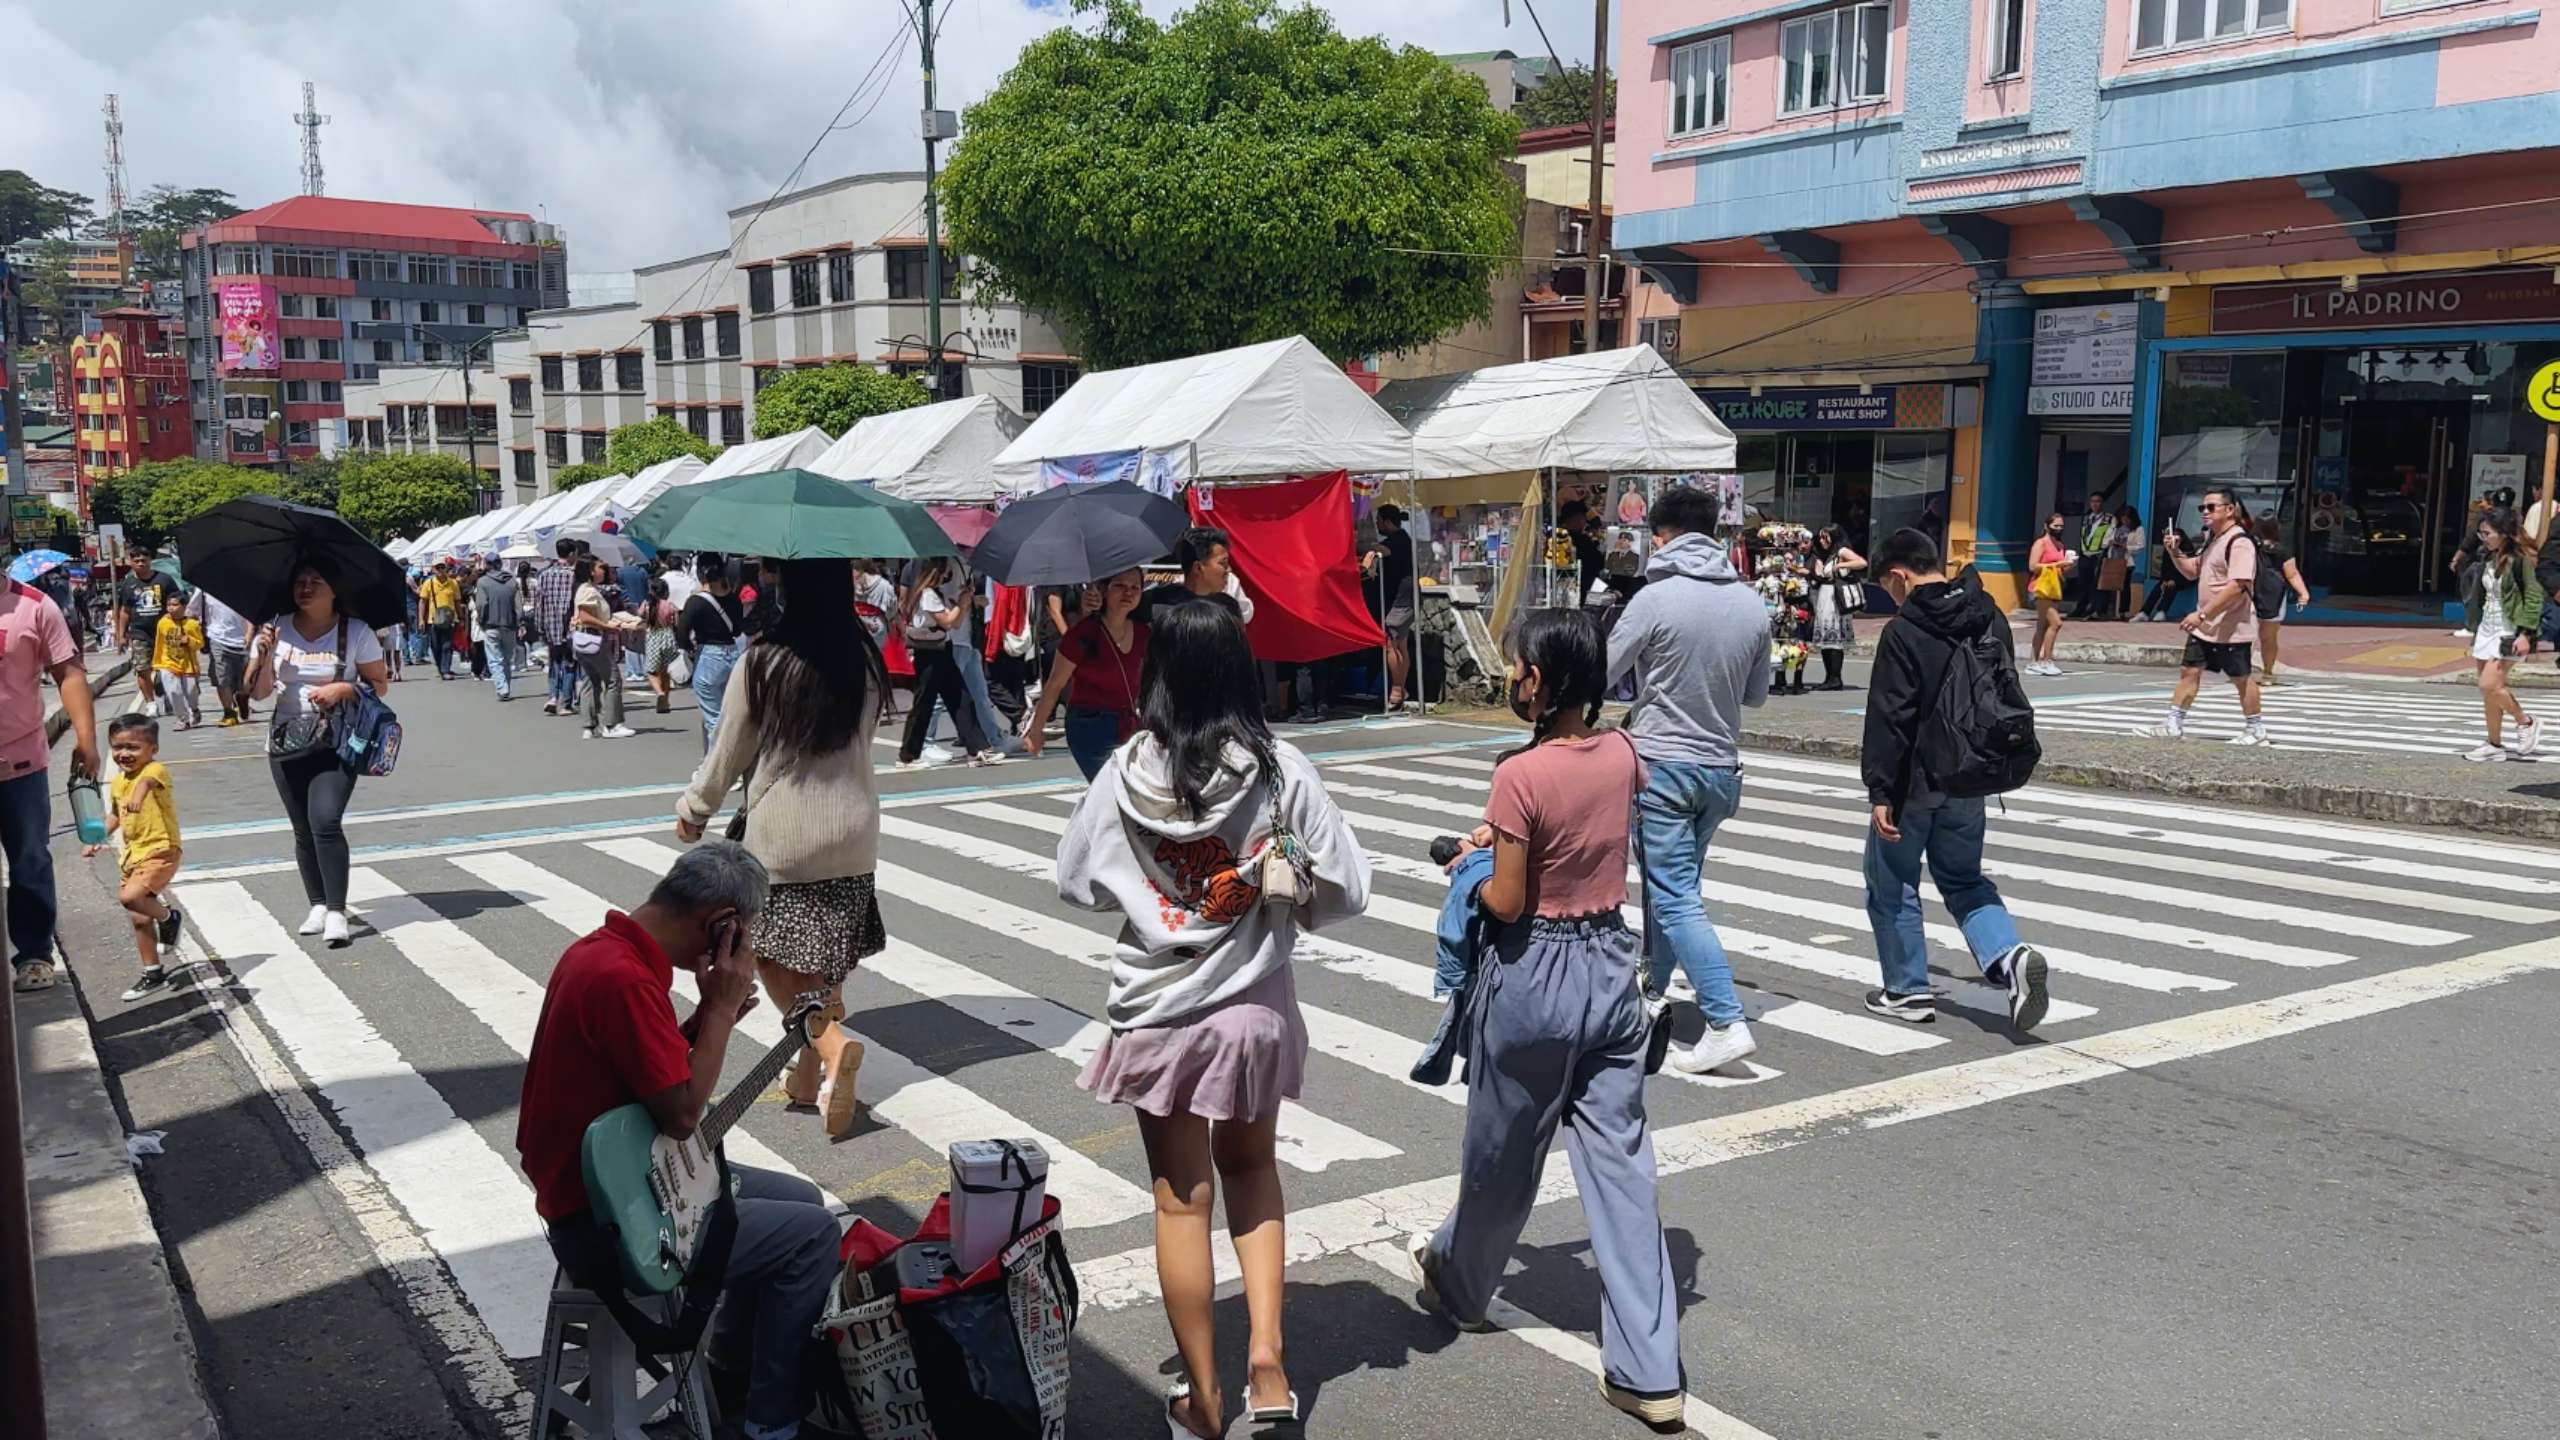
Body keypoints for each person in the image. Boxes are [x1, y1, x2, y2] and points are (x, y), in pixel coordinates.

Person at [1056, 601, 1369, 1440]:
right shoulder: (1277, 768)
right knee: (1254, 1170)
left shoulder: (1126, 769)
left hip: (1157, 1012)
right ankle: (1268, 1364)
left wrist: (1149, 893)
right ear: (1241, 669)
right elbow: (1349, 888)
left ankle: (1203, 1398)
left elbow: (1075, 880)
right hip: (1251, 1006)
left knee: (1179, 1200)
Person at [1413, 609, 1685, 1428]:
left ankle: (1461, 1289)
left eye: (1519, 667)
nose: (1512, 679)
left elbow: (1506, 896)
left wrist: (1475, 860)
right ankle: (1649, 1371)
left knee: (1503, 1153)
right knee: (1623, 1170)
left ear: (1543, 679)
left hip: (1533, 974)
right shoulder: (1624, 753)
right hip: (1609, 966)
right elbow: (1587, 830)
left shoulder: (1518, 776)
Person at [516, 840, 840, 1440]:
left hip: (615, 1180)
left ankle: (727, 1370)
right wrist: (715, 1010)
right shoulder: (623, 979)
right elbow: (683, 1113)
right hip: (608, 1220)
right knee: (815, 1237)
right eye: (741, 936)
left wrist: (709, 1021)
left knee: (801, 1199)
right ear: (720, 925)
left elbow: (646, 1072)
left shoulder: (607, 952)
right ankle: (772, 1423)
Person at [678, 560, 886, 1138]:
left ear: (788, 587)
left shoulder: (763, 661)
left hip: (785, 836)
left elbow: (730, 752)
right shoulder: (863, 660)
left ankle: (827, 1038)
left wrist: (695, 810)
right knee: (826, 956)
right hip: (854, 831)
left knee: (767, 955)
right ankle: (807, 1075)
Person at [1857, 527, 2053, 1032]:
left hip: (1916, 780)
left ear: (1899, 575)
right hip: (1972, 772)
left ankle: (1906, 991)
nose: (1891, 595)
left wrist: (1881, 790)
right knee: (1964, 878)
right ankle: (2009, 957)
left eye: (1888, 585)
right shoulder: (1988, 612)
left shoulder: (1903, 631)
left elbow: (1890, 716)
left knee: (1893, 881)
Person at [1604, 484, 1772, 1074]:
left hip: (1662, 767)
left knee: (1673, 896)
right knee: (1676, 891)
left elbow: (1603, 672)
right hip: (1721, 771)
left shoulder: (1654, 599)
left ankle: (1725, 1020)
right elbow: (1755, 696)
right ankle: (1653, 991)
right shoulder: (1752, 604)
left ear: (1661, 535)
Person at [248, 561, 391, 949]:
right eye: (300, 582)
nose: (306, 588)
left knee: (325, 821)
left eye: (316, 581)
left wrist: (344, 690)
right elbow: (258, 693)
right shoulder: (276, 628)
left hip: (336, 740)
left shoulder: (355, 631)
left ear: (334, 591)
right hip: (285, 741)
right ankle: (316, 903)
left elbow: (379, 684)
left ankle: (336, 911)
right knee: (302, 828)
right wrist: (263, 653)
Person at [1, 574, 96, 993]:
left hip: (20, 763)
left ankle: (35, 954)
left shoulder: (35, 606)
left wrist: (86, 740)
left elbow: (68, 672)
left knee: (29, 861)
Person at [2139, 486, 2266, 745]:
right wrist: (2175, 552)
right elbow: (2191, 571)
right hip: (2205, 627)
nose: (2204, 512)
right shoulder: (2213, 539)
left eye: (2211, 507)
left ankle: (2255, 729)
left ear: (2230, 510)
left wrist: (2202, 614)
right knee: (2189, 670)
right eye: (2202, 508)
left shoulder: (2239, 542)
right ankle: (2173, 723)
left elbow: (2238, 585)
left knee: (2241, 678)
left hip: (2230, 626)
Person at [84, 713, 187, 1001]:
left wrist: (140, 793)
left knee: (131, 897)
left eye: (133, 747)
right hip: (134, 855)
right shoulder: (118, 781)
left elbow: (148, 783)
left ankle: (169, 918)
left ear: (152, 749)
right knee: (139, 917)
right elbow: (115, 816)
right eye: (117, 747)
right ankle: (152, 973)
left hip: (161, 849)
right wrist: (95, 839)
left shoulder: (155, 770)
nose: (124, 754)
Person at [1025, 567, 1148, 780]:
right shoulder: (1082, 635)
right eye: (1119, 586)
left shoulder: (1144, 633)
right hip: (1089, 725)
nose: (1128, 593)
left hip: (1130, 724)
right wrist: (1037, 729)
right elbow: (1054, 685)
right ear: (1103, 590)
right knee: (1110, 789)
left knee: (1129, 793)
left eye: (1135, 587)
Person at [892, 557, 996, 769]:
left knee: (960, 697)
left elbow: (954, 621)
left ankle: (977, 748)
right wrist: (963, 603)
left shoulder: (933, 594)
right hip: (929, 652)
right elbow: (949, 622)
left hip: (941, 649)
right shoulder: (927, 595)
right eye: (944, 573)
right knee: (924, 703)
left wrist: (965, 602)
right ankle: (908, 755)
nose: (947, 577)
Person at [2463, 505, 2547, 762]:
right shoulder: (2487, 557)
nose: (2483, 538)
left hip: (2509, 630)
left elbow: (2533, 598)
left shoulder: (2521, 561)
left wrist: (2525, 633)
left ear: (2503, 533)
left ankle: (2526, 721)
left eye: (2487, 533)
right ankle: (2494, 744)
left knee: (2489, 684)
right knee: (2489, 692)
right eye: (2481, 534)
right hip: (2487, 628)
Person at [677, 553, 746, 752]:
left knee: (713, 717)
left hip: (708, 654)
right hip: (733, 653)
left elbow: (682, 633)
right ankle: (726, 762)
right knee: (730, 713)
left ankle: (719, 768)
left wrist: (690, 651)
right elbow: (736, 630)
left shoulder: (696, 602)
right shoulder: (734, 598)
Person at [572, 556, 636, 740]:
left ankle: (589, 725)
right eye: (601, 567)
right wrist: (607, 626)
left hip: (585, 639)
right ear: (591, 570)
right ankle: (612, 723)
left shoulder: (588, 589)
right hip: (594, 638)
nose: (605, 571)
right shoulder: (588, 591)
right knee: (613, 679)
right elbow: (584, 616)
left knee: (590, 681)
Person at [1362, 505, 1419, 709]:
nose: (1377, 524)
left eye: (1378, 520)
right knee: (1399, 643)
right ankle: (1400, 688)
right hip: (1400, 600)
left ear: (1387, 522)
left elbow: (1385, 550)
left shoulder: (1400, 541)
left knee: (1391, 643)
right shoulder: (1400, 540)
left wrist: (1370, 550)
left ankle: (1397, 689)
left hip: (1402, 601)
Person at [115, 547, 184, 712]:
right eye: (136, 561)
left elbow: (178, 603)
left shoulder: (165, 580)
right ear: (131, 563)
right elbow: (124, 611)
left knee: (168, 669)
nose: (140, 564)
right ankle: (151, 703)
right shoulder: (128, 584)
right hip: (140, 633)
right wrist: (121, 634)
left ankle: (168, 695)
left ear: (150, 560)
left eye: (144, 560)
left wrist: (181, 626)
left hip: (165, 632)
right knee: (142, 669)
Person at [1140, 526, 1250, 625]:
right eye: (1222, 563)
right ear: (1198, 568)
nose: (1228, 570)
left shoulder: (1229, 608)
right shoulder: (1158, 607)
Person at [2251, 516, 2311, 687]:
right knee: (2269, 637)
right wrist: (2303, 593)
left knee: (2246, 634)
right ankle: (2268, 672)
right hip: (2274, 597)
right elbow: (2292, 574)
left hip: (2249, 593)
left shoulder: (2248, 546)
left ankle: (2244, 673)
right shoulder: (2282, 549)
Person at [1807, 524, 1866, 692]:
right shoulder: (1826, 555)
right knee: (1827, 640)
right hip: (1825, 597)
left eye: (1826, 537)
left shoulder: (1841, 552)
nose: (1822, 540)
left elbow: (1861, 562)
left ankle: (1835, 677)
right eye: (1820, 537)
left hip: (1835, 599)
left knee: (1834, 640)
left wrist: (1839, 566)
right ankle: (1829, 677)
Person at [191, 586, 254, 726]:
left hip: (242, 639)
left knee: (247, 680)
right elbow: (192, 611)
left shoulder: (245, 585)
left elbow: (252, 612)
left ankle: (242, 697)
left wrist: (250, 633)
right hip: (216, 638)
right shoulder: (203, 588)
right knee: (222, 678)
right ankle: (229, 713)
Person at [537, 540, 583, 716]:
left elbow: (539, 604)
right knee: (570, 664)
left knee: (554, 662)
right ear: (571, 554)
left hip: (550, 625)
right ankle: (565, 703)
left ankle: (552, 697)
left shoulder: (544, 575)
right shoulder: (574, 576)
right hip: (570, 626)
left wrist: (540, 625)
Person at [2023, 513, 2070, 677]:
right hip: (2040, 587)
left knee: (2042, 625)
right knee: (2056, 623)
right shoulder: (2041, 543)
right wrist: (2057, 564)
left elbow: (2060, 569)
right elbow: (2033, 566)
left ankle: (2033, 661)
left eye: (2061, 526)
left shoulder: (2060, 545)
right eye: (2055, 526)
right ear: (2046, 526)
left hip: (2053, 587)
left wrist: (2066, 566)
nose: (2058, 529)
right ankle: (2046, 660)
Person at [474, 558, 523, 702]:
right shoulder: (512, 582)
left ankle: (502, 688)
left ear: (487, 565)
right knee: (507, 659)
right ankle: (505, 686)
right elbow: (518, 606)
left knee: (495, 659)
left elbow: (481, 604)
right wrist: (517, 622)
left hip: (491, 625)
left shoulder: (483, 582)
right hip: (510, 625)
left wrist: (481, 620)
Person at [152, 604, 207, 730]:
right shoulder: (163, 623)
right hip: (168, 663)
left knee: (191, 692)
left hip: (188, 665)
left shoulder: (192, 624)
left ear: (183, 607)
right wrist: (157, 663)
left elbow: (200, 644)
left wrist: (189, 641)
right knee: (173, 692)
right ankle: (183, 719)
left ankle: (194, 709)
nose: (171, 608)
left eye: (175, 605)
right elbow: (159, 643)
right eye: (169, 605)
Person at [2066, 490, 2115, 619]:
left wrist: (2103, 548)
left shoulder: (2109, 518)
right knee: (2083, 582)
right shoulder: (2087, 518)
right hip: (2085, 553)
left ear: (2103, 503)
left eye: (2098, 501)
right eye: (2092, 501)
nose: (2095, 504)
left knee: (2098, 583)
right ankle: (2081, 608)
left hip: (2099, 554)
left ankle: (2098, 609)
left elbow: (2110, 536)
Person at [1555, 498, 1609, 602]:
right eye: (1583, 519)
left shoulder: (1556, 538)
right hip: (1581, 588)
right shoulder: (1581, 540)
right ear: (1578, 519)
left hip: (1561, 588)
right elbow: (1597, 562)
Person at [418, 560, 462, 681]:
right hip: (434, 619)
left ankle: (445, 669)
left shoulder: (453, 583)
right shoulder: (429, 583)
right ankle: (440, 666)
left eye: (443, 567)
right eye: (438, 567)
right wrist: (421, 619)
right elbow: (422, 602)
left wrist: (461, 617)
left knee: (447, 645)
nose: (441, 570)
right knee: (436, 645)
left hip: (450, 619)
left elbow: (457, 601)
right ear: (433, 569)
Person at [641, 578, 679, 715]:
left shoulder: (647, 605)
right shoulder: (670, 605)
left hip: (653, 637)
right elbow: (676, 624)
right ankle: (665, 703)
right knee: (664, 672)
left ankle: (660, 693)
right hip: (667, 637)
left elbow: (640, 617)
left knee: (651, 671)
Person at [2138, 524, 2190, 621]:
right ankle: (2144, 612)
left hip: (2185, 577)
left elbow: (2186, 568)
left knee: (2172, 587)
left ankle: (2162, 611)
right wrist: (2164, 580)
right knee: (2158, 588)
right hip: (2171, 576)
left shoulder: (2187, 550)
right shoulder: (2168, 549)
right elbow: (2165, 568)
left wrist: (2174, 580)